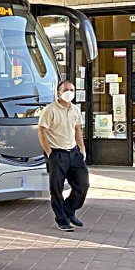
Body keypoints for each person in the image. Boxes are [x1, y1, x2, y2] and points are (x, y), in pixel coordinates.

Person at [37, 80, 89, 231]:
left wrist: (82, 148)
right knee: (57, 189)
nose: (69, 92)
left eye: (72, 90)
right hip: (56, 153)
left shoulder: (75, 110)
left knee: (83, 184)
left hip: (73, 152)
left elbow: (77, 129)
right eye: (66, 89)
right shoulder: (50, 110)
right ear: (58, 92)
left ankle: (69, 210)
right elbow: (41, 131)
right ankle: (61, 219)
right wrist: (49, 152)